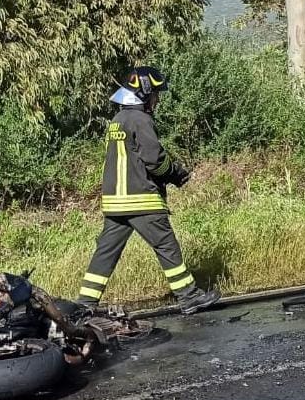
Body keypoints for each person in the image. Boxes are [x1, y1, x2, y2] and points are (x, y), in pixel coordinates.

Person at [78, 66, 219, 314]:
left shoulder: (118, 120)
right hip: (141, 199)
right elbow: (154, 159)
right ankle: (189, 296)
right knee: (167, 245)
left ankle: (84, 305)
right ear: (144, 92)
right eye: (155, 93)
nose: (157, 98)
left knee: (105, 253)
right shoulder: (140, 119)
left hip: (114, 203)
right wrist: (175, 173)